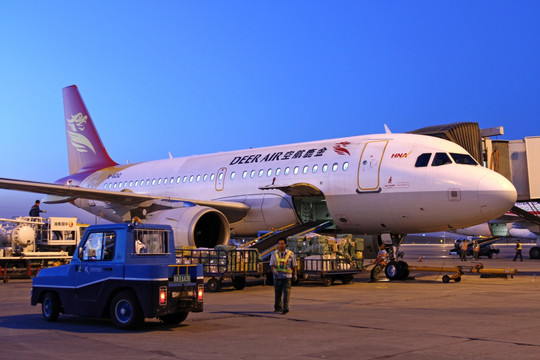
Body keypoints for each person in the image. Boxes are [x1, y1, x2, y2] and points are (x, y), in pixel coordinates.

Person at [270, 238, 297, 314]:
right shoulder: (274, 254)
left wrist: (295, 274)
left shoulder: (291, 254)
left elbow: (294, 265)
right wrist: (273, 271)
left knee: (286, 294)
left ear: (285, 244)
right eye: (279, 244)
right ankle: (278, 308)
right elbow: (271, 265)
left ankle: (285, 307)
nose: (281, 245)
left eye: (282, 244)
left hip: (287, 277)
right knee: (278, 294)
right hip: (277, 277)